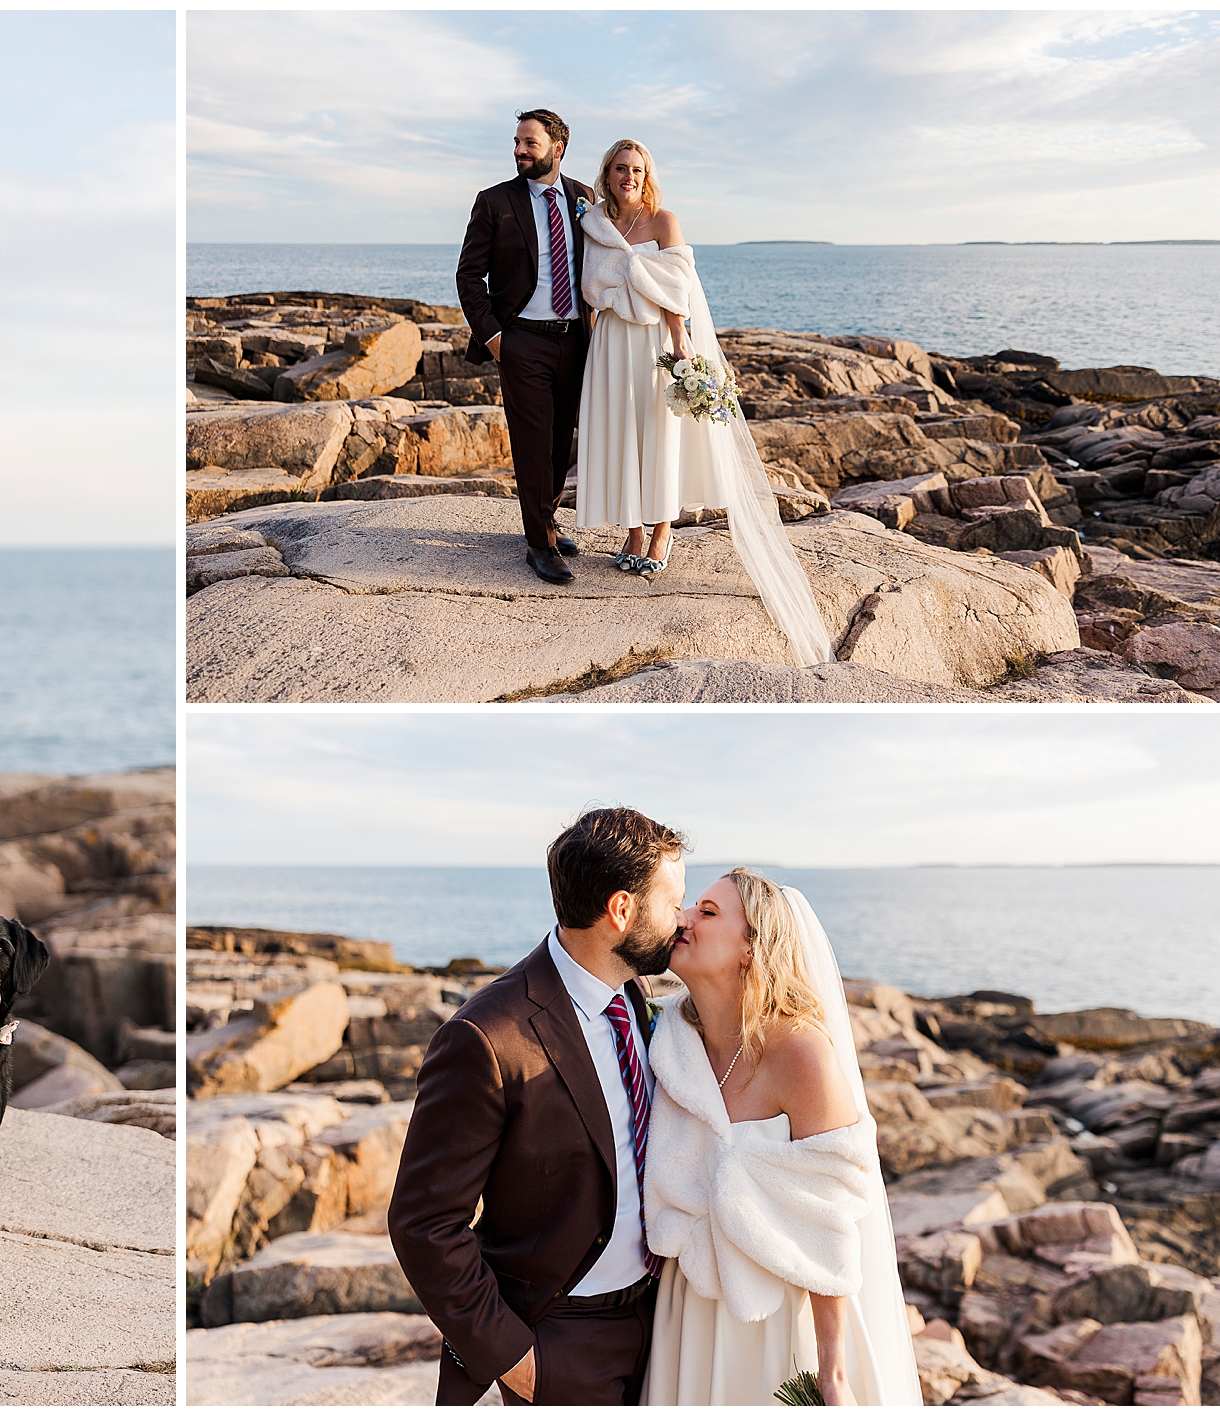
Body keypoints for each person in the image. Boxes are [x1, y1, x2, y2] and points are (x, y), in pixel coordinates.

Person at [389, 807, 688, 1404]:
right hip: (559, 1344)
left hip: (665, 1328)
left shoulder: (634, 993)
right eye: (671, 901)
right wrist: (516, 1360)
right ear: (621, 910)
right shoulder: (486, 1038)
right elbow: (424, 1224)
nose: (681, 919)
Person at [642, 868, 922, 1405]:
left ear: (752, 947)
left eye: (708, 912)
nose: (683, 920)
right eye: (690, 906)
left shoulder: (801, 1052)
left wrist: (832, 1370)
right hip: (686, 1310)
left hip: (777, 1319)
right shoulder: (669, 1038)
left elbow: (829, 1213)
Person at [576, 139, 835, 665]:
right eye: (621, 169)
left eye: (637, 170)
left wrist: (681, 348)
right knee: (623, 433)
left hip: (652, 343)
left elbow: (676, 292)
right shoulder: (595, 226)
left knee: (660, 433)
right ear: (607, 174)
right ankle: (631, 532)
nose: (629, 177)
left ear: (647, 177)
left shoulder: (664, 221)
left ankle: (662, 533)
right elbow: (590, 289)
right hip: (611, 344)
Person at [455, 108, 595, 586]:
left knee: (560, 440)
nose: (519, 150)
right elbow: (468, 276)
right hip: (521, 342)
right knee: (533, 441)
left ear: (558, 147)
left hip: (574, 340)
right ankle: (539, 544)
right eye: (517, 142)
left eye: (529, 143)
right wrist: (495, 338)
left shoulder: (583, 198)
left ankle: (548, 520)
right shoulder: (494, 202)